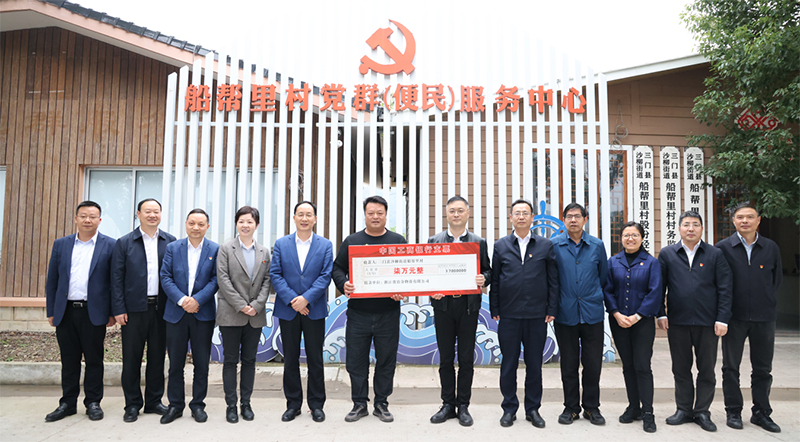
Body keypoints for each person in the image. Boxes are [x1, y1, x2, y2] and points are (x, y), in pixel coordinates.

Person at [332, 195, 407, 423]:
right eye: (371, 213)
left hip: (388, 313)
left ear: (386, 215)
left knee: (386, 361)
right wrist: (343, 283)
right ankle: (359, 404)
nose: (375, 217)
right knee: (356, 361)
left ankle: (381, 403)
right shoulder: (353, 241)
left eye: (379, 213)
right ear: (364, 215)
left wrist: (402, 290)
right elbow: (337, 268)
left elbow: (407, 270)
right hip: (358, 313)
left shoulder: (397, 241)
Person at [658, 210, 732, 432]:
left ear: (702, 228)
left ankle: (702, 411)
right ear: (679, 228)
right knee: (681, 368)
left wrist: (722, 318)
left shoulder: (715, 254)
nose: (691, 228)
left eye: (695, 224)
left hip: (708, 323)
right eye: (686, 224)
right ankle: (683, 409)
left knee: (706, 369)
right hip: (678, 322)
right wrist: (661, 313)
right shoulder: (668, 254)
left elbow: (725, 288)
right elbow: (659, 287)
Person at [44, 201, 116, 422]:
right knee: (69, 360)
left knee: (94, 359)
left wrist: (112, 312)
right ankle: (67, 403)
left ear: (99, 220)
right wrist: (51, 310)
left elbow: (114, 282)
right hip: (65, 311)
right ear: (76, 218)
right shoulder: (61, 244)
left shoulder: (110, 245)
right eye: (83, 216)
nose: (87, 220)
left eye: (92, 216)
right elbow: (52, 279)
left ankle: (93, 402)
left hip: (93, 312)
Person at [490, 199, 559, 429]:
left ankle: (533, 409)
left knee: (534, 365)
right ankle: (509, 408)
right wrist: (495, 308)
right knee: (508, 364)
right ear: (510, 218)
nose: (521, 217)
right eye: (517, 213)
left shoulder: (545, 245)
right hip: (508, 315)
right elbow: (496, 280)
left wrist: (551, 308)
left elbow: (553, 280)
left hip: (536, 315)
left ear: (532, 218)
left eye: (525, 213)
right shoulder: (500, 245)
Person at [717, 203, 783, 433]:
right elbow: (719, 283)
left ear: (758, 220)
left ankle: (761, 412)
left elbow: (776, 280)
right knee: (730, 367)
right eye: (740, 217)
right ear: (733, 220)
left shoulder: (770, 247)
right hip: (734, 317)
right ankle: (733, 411)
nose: (745, 221)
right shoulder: (723, 248)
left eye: (749, 217)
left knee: (763, 368)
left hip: (764, 317)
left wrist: (763, 300)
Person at [110, 198, 176, 422]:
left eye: (156, 211)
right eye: (147, 211)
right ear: (138, 214)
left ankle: (154, 401)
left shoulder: (170, 242)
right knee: (131, 359)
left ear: (161, 215)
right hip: (133, 310)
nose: (152, 215)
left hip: (161, 309)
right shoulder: (124, 243)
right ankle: (132, 404)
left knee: (157, 358)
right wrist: (118, 308)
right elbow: (116, 278)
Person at [428, 196, 491, 427]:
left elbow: (488, 271)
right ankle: (447, 404)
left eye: (460, 210)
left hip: (468, 307)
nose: (456, 214)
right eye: (452, 210)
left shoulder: (478, 242)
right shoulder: (434, 241)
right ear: (446, 214)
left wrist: (484, 278)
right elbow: (428, 273)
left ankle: (463, 405)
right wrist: (431, 290)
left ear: (468, 213)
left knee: (466, 358)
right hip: (443, 307)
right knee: (445, 358)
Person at [270, 201, 333, 423]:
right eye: (300, 214)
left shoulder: (325, 245)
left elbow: (325, 276)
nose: (304, 218)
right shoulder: (281, 244)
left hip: (314, 309)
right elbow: (275, 274)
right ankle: (293, 404)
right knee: (290, 359)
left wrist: (306, 299)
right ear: (294, 218)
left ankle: (316, 405)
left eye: (309, 214)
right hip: (288, 310)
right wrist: (293, 300)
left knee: (315, 359)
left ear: (315, 219)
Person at [159, 209, 220, 424]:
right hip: (176, 313)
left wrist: (197, 300)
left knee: (201, 363)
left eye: (201, 224)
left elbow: (216, 279)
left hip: (202, 314)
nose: (196, 227)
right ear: (186, 224)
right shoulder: (173, 248)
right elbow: (165, 276)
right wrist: (182, 300)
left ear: (207, 227)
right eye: (192, 223)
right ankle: (175, 405)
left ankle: (198, 405)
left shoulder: (215, 249)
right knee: (176, 363)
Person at [551, 203, 609, 426]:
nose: (573, 220)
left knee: (593, 364)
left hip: (592, 313)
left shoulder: (596, 245)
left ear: (585, 219)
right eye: (569, 216)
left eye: (577, 216)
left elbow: (602, 277)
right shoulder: (555, 245)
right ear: (564, 220)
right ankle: (571, 408)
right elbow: (552, 278)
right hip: (565, 313)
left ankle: (592, 408)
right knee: (569, 364)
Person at [603, 221, 662, 433]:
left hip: (642, 322)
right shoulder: (613, 262)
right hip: (619, 321)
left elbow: (655, 292)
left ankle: (648, 412)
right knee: (628, 365)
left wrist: (637, 316)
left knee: (642, 366)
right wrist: (616, 313)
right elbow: (607, 290)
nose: (630, 238)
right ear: (621, 239)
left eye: (635, 235)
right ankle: (633, 407)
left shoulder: (651, 262)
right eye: (626, 235)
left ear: (642, 238)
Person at [216, 206, 272, 423]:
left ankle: (246, 404)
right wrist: (241, 305)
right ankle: (231, 405)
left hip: (255, 315)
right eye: (241, 221)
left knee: (249, 361)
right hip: (231, 313)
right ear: (236, 224)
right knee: (230, 361)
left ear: (256, 225)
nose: (245, 225)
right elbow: (223, 279)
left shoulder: (264, 252)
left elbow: (267, 281)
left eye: (249, 221)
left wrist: (256, 305)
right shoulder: (226, 249)